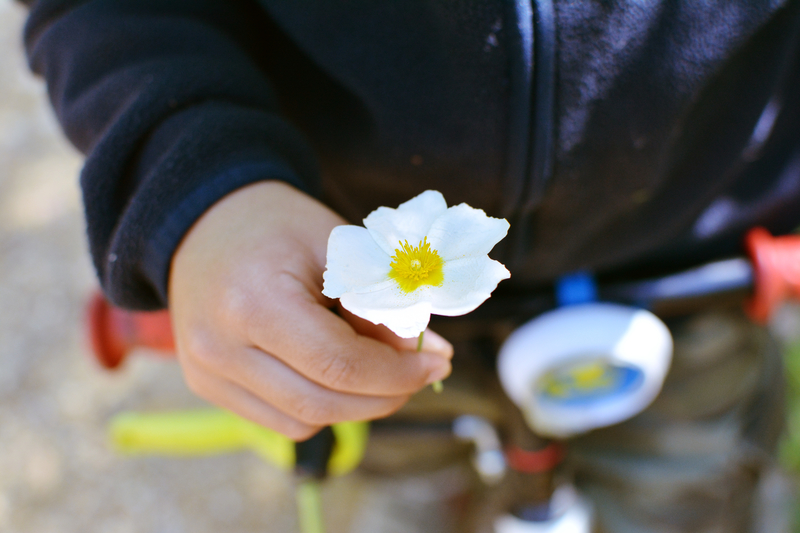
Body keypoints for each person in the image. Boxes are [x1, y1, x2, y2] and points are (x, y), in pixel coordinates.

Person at [19, 0, 800, 531]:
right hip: (350, 286)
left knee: (688, 483)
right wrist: (198, 186)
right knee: (399, 475)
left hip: (698, 265)